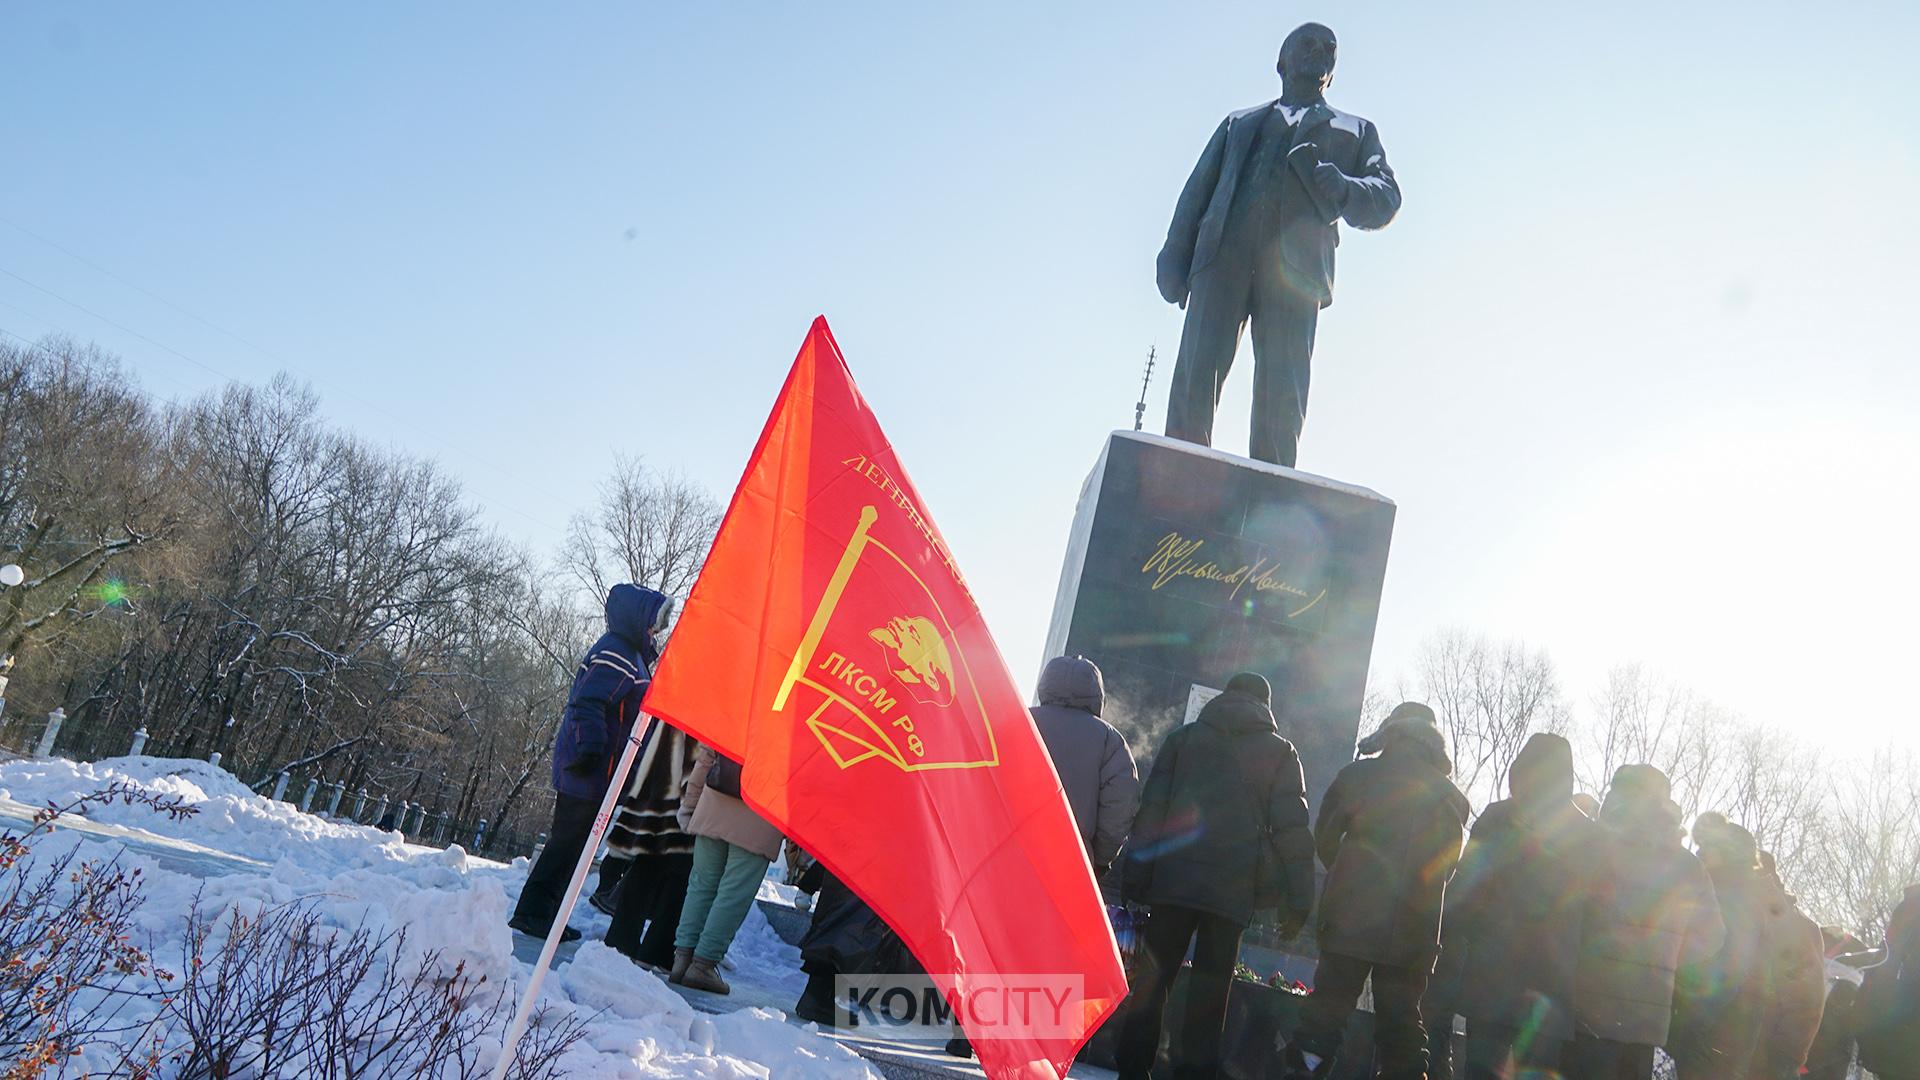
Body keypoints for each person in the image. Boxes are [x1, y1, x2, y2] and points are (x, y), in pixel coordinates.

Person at [1156, 21, 1401, 467]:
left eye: (1330, 48)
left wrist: (1345, 187)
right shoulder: (1238, 123)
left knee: (1282, 392)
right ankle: (1178, 473)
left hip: (1297, 273)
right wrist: (1175, 253)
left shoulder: (1355, 130)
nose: (1321, 51)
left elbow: (1387, 196)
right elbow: (1198, 189)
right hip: (1220, 261)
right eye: (1307, 44)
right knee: (1195, 374)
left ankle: (1272, 484)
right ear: (1281, 62)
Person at [1116, 672, 1315, 1080]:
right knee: (1210, 991)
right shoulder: (1280, 752)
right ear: (1266, 706)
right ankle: (1193, 1073)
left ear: (1225, 697)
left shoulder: (1184, 740)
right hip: (1232, 891)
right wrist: (1299, 899)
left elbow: (1152, 811)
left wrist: (1134, 874)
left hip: (1172, 882)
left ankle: (1133, 1069)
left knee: (1154, 981)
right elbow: (1293, 831)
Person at [1277, 701, 1470, 1080]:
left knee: (1324, 1018)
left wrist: (1349, 877)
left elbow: (1326, 838)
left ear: (1390, 732)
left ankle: (1304, 1073)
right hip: (1412, 930)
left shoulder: (1356, 776)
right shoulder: (1452, 798)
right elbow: (1446, 870)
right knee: (1402, 1031)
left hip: (1350, 918)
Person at [509, 583, 670, 942]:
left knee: (576, 847)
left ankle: (547, 915)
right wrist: (590, 752)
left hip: (602, 770)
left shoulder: (631, 654)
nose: (654, 630)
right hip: (590, 769)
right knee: (566, 844)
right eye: (652, 622)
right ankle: (532, 913)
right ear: (637, 617)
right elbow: (588, 703)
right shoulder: (616, 653)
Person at [1446, 732, 1598, 1079]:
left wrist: (1463, 938)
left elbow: (1464, 893)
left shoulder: (1497, 819)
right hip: (1552, 988)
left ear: (1520, 770)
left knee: (1481, 1071)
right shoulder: (1588, 836)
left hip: (1491, 978)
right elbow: (1596, 916)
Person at [1565, 765, 1724, 1080]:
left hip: (1587, 1006)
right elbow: (1713, 935)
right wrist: (1665, 959)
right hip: (1645, 1021)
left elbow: (1563, 913)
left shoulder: (1592, 848)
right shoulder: (1686, 866)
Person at [669, 744, 785, 994]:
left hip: (713, 806)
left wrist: (690, 805)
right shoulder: (801, 727)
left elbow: (705, 760)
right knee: (733, 895)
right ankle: (703, 965)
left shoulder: (742, 708)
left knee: (700, 886)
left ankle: (682, 960)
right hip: (761, 818)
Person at [1668, 813, 1769, 1080]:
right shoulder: (1738, 893)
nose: (1700, 852)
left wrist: (1685, 1014)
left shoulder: (1730, 897)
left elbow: (1728, 969)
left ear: (1727, 854)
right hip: (1725, 1028)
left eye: (1707, 848)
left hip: (1713, 1029)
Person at [1029, 655, 1141, 877]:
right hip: (1070, 863)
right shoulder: (1110, 740)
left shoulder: (1019, 722)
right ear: (1097, 695)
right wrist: (1098, 860)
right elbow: (1120, 806)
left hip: (1006, 853)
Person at [601, 721, 700, 969]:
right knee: (680, 871)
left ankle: (621, 942)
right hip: (686, 783)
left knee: (650, 861)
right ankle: (655, 951)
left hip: (660, 779)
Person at [1752, 851, 1828, 1079]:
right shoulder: (1723, 913)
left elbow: (1807, 1000)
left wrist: (1783, 1057)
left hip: (1768, 1061)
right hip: (1721, 1055)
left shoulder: (1796, 929)